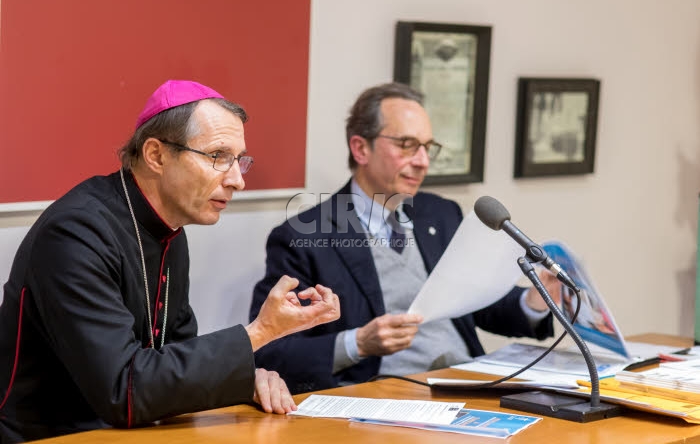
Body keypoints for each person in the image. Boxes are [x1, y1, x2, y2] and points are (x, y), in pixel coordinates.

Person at [0, 80, 340, 443]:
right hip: (47, 437)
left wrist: (243, 380)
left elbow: (174, 352)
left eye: (239, 160)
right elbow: (122, 392)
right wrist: (260, 334)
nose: (237, 180)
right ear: (157, 156)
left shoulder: (169, 228)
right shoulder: (75, 233)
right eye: (218, 157)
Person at [250, 82, 561, 394]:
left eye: (428, 147)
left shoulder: (441, 214)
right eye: (407, 144)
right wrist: (357, 343)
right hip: (380, 399)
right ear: (361, 148)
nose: (423, 161)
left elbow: (477, 304)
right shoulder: (304, 236)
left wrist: (535, 301)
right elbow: (272, 350)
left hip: (468, 385)